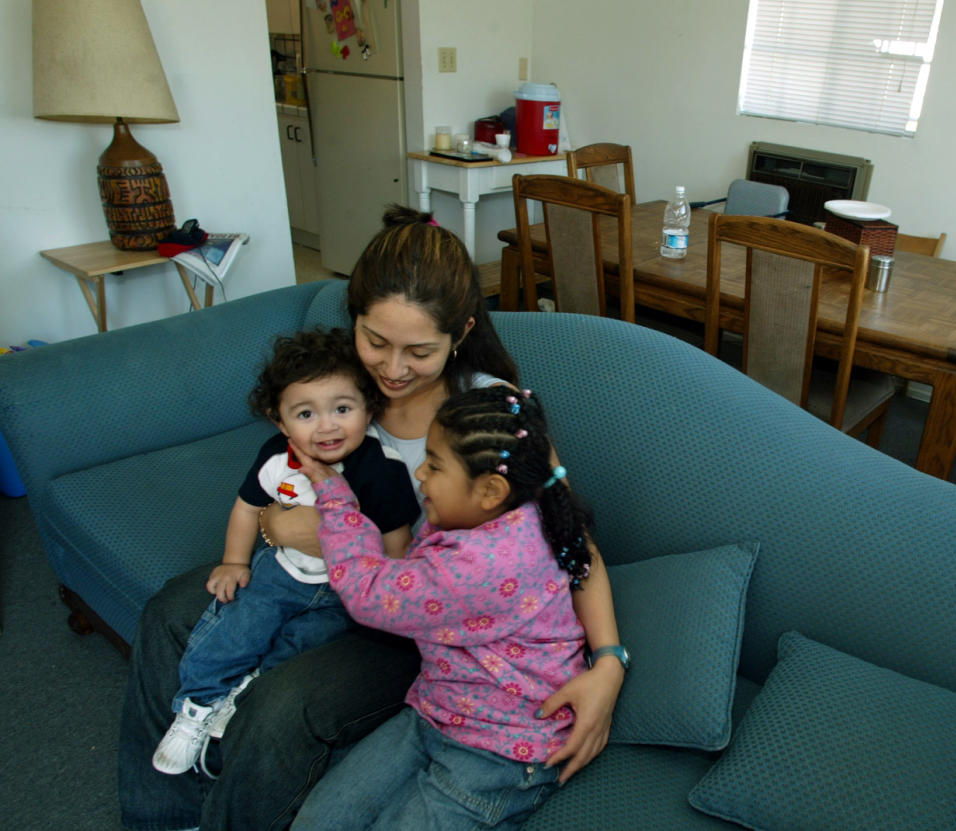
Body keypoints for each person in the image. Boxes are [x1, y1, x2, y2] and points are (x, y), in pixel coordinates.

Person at [119, 206, 626, 831]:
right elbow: (279, 468)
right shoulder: (338, 385)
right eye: (375, 341)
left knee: (285, 704)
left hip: (420, 625)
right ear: (353, 320)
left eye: (419, 351)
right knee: (172, 608)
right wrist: (276, 525)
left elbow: (570, 538)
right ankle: (164, 816)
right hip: (311, 578)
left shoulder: (491, 413)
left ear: (461, 332)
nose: (390, 369)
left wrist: (608, 663)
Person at [292, 386, 594, 830]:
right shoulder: (527, 502)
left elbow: (365, 590)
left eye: (434, 465)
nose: (420, 474)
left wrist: (335, 497)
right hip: (438, 709)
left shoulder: (474, 569)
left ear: (491, 489)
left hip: (501, 751)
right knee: (319, 821)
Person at [152, 328, 418, 777]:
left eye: (343, 409)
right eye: (306, 414)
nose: (328, 426)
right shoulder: (277, 456)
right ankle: (196, 706)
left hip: (342, 592)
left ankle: (243, 699)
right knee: (237, 628)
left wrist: (384, 598)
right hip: (282, 571)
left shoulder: (380, 468)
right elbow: (246, 507)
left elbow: (397, 540)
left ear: (368, 409)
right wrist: (234, 561)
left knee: (298, 647)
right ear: (281, 421)